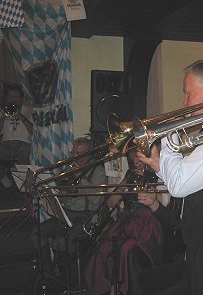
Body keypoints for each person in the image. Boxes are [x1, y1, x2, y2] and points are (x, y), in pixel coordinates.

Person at [137, 59, 203, 295]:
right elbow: (183, 181)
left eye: (187, 94)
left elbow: (178, 186)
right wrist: (158, 163)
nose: (184, 102)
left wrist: (166, 135)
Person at [83, 150, 166, 295]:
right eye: (136, 159)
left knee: (126, 249)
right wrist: (123, 185)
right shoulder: (129, 175)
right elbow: (110, 203)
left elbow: (164, 202)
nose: (138, 162)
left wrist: (148, 183)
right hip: (125, 223)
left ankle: (126, 290)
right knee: (103, 249)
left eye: (142, 159)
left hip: (147, 225)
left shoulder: (159, 174)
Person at [30, 137, 107, 277]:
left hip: (86, 217)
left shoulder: (97, 170)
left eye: (80, 154)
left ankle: (71, 278)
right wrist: (53, 194)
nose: (75, 157)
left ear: (89, 153)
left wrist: (80, 178)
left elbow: (97, 200)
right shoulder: (69, 168)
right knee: (37, 232)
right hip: (66, 215)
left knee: (64, 239)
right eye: (73, 153)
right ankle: (48, 274)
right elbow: (64, 198)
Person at [0, 84, 33, 187]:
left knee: (25, 152)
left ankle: (25, 187)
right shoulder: (2, 111)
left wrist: (20, 115)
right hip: (5, 145)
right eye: (10, 97)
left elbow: (33, 131)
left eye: (15, 97)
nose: (12, 99)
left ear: (21, 98)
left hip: (23, 144)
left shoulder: (29, 110)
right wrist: (3, 116)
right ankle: (3, 177)